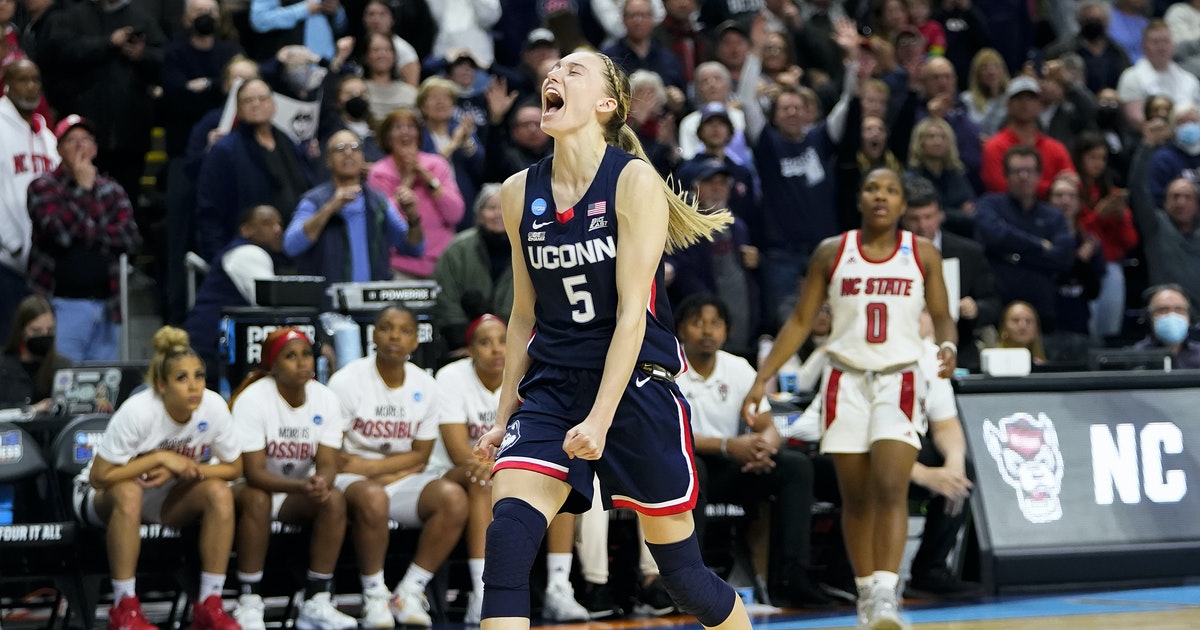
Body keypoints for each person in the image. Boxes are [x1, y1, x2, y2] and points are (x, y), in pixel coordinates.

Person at [471, 49, 752, 630]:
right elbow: (524, 314)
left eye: (573, 71)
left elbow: (632, 314)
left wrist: (600, 419)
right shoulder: (519, 191)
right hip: (552, 388)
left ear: (606, 104)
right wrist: (502, 417)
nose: (553, 75)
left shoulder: (633, 180)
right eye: (550, 70)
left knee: (683, 578)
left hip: (635, 390)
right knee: (507, 542)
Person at [743, 168, 957, 630]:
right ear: (859, 198)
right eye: (872, 188)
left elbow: (942, 314)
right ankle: (866, 595)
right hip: (844, 380)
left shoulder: (922, 253)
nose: (881, 195)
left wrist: (948, 346)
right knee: (855, 497)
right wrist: (763, 379)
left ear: (902, 205)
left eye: (891, 190)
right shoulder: (831, 252)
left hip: (899, 378)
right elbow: (801, 321)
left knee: (890, 485)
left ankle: (886, 592)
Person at [73, 326, 243, 630]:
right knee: (128, 491)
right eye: (182, 378)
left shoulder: (213, 406)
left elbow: (234, 468)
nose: (194, 386)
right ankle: (124, 608)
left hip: (166, 496)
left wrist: (190, 468)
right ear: (161, 385)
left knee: (219, 491)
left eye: (199, 376)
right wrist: (159, 457)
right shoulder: (139, 411)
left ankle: (210, 603)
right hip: (98, 498)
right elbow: (100, 476)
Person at [426, 313, 590, 624]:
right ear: (469, 350)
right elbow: (458, 450)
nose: (497, 349)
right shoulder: (451, 377)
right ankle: (480, 592)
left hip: (505, 465)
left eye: (503, 341)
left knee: (556, 478)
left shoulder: (527, 373)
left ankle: (558, 586)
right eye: (485, 343)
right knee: (483, 478)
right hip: (453, 471)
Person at [674, 294, 829, 608]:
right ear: (680, 330)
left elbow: (767, 424)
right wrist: (727, 445)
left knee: (795, 466)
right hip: (688, 464)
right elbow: (670, 433)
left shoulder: (739, 368)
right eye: (697, 323)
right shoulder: (670, 367)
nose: (707, 331)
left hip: (733, 463)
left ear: (726, 331)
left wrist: (764, 447)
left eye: (715, 324)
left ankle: (791, 577)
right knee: (694, 469)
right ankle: (692, 581)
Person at [327, 305, 469, 628]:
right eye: (387, 328)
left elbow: (421, 456)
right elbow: (335, 458)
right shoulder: (345, 382)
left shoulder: (426, 386)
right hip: (350, 481)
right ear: (373, 334)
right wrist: (389, 468)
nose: (395, 336)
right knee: (373, 496)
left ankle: (409, 590)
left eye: (404, 331)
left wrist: (377, 467)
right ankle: (375, 595)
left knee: (453, 499)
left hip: (395, 477)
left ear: (416, 341)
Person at [228, 328, 358, 629]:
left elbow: (327, 462)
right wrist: (303, 485)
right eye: (290, 357)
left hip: (293, 492)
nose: (302, 363)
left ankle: (317, 599)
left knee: (333, 499)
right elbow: (254, 473)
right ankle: (249, 601)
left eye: (306, 355)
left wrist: (321, 482)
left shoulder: (325, 399)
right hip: (249, 490)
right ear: (272, 366)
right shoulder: (253, 399)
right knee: (258, 500)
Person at [27, 115, 141, 362]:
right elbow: (61, 235)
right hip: (60, 305)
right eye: (72, 140)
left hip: (108, 305)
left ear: (96, 148)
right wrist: (83, 189)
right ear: (58, 149)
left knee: (103, 392)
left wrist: (86, 232)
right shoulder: (43, 187)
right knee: (63, 382)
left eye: (86, 140)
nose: (80, 146)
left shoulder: (112, 189)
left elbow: (130, 239)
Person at [285, 129, 424, 290]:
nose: (348, 153)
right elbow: (291, 246)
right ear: (328, 160)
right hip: (328, 303)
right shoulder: (314, 201)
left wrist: (413, 217)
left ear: (363, 157)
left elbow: (414, 248)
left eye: (354, 147)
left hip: (371, 305)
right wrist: (330, 208)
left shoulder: (378, 202)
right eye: (340, 149)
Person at [901, 177, 999, 372]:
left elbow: (994, 305)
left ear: (940, 214)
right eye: (914, 218)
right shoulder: (886, 255)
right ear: (901, 218)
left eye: (928, 217)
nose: (922, 226)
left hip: (960, 352)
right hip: (902, 352)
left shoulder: (968, 253)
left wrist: (975, 308)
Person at [185, 205, 284, 393]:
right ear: (246, 229)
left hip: (209, 343)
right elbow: (271, 303)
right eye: (266, 223)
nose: (277, 229)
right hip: (210, 345)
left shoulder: (247, 251)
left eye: (279, 223)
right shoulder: (247, 253)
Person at [974, 146, 1074, 333]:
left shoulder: (1053, 215)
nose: (1023, 176)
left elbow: (1063, 258)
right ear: (1006, 175)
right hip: (999, 304)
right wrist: (1039, 245)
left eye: (1029, 170)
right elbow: (994, 236)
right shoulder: (990, 204)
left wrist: (1011, 254)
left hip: (1042, 307)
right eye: (1017, 171)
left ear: (1039, 175)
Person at [367, 108, 464, 279]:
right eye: (397, 127)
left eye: (411, 127)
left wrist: (426, 176)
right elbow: (382, 220)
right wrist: (408, 178)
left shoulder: (437, 165)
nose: (405, 132)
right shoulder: (378, 172)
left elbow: (455, 213)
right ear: (388, 137)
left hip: (442, 263)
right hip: (399, 264)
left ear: (419, 135)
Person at [0, 58, 57, 338]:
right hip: (5, 261)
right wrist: (10, 242)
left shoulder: (46, 136)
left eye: (36, 80)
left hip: (41, 263)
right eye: (24, 80)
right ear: (7, 85)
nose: (32, 87)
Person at [432, 184, 513, 351]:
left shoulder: (529, 248)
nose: (498, 214)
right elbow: (446, 300)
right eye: (491, 208)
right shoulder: (458, 249)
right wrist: (465, 342)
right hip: (464, 345)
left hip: (518, 343)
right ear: (479, 214)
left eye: (504, 207)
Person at [0, 293, 67, 411]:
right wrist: (30, 410)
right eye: (36, 331)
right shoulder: (3, 366)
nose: (44, 335)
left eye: (50, 330)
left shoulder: (62, 368)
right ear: (22, 331)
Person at [1132, 284, 1200, 368]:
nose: (1171, 315)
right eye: (1162, 310)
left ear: (1190, 317)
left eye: (1179, 309)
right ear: (1149, 318)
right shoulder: (1135, 356)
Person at [992, 300, 1047, 365]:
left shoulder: (1045, 367)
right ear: (1004, 327)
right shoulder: (993, 362)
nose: (1022, 326)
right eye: (1015, 320)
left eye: (1028, 321)